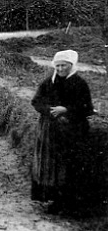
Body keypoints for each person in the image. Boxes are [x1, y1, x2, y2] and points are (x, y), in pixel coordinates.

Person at [31, 50, 94, 215]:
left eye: (63, 65)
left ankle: (71, 204)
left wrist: (65, 109)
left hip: (73, 131)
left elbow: (87, 108)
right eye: (57, 65)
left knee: (69, 166)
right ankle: (55, 201)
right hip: (50, 130)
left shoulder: (79, 83)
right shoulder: (48, 83)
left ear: (71, 66)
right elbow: (36, 101)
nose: (60, 69)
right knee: (52, 165)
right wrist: (49, 111)